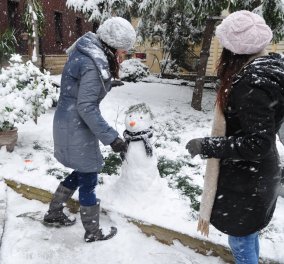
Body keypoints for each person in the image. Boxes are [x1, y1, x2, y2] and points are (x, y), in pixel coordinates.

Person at [186, 10, 284, 264]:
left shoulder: (252, 83)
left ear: (233, 50)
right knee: (247, 234)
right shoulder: (269, 69)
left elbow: (257, 143)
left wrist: (208, 145)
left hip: (249, 180)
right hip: (256, 176)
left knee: (240, 239)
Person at [43, 17, 136, 242]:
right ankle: (92, 232)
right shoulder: (93, 63)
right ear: (112, 46)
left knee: (83, 171)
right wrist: (112, 138)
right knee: (89, 178)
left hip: (67, 121)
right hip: (78, 126)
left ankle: (54, 212)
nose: (124, 56)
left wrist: (107, 83)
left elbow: (79, 88)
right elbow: (86, 107)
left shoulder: (85, 51)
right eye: (123, 51)